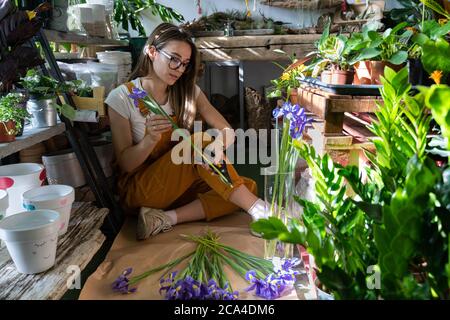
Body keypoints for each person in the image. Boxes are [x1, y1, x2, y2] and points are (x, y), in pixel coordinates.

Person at [106, 23, 269, 240]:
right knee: (199, 144)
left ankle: (165, 218)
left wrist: (217, 145)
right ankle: (260, 211)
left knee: (246, 187)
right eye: (173, 59)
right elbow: (126, 164)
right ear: (152, 52)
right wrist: (149, 140)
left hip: (176, 186)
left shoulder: (187, 92)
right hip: (141, 189)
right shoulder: (122, 98)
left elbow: (227, 131)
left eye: (184, 64)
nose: (179, 69)